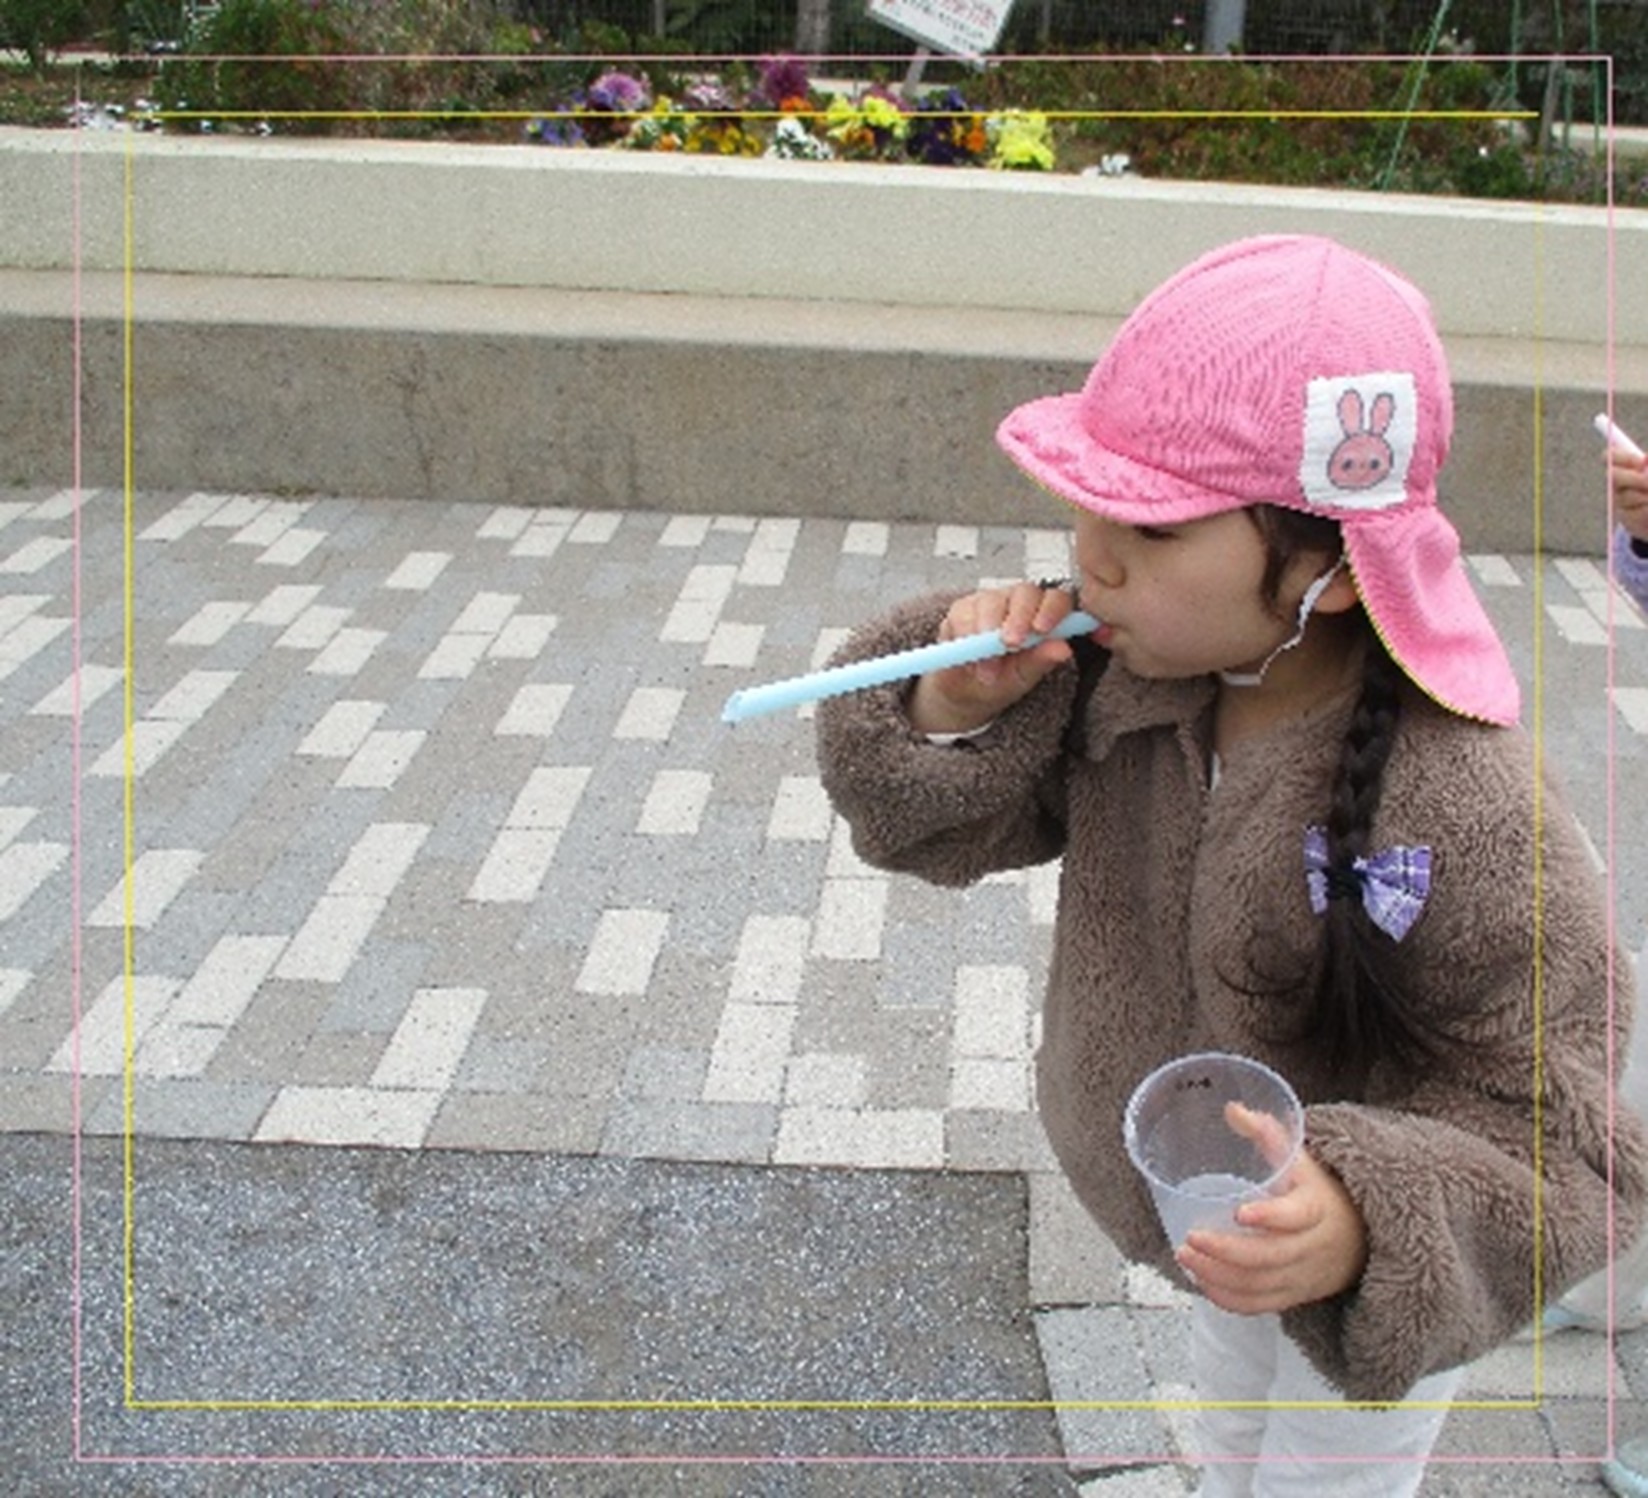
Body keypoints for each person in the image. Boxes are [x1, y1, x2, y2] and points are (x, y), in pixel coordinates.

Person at [813, 235, 1646, 1496]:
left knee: (1321, 1476)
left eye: (1150, 524)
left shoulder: (1467, 801)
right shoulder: (1122, 687)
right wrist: (948, 705)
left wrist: (1360, 1218)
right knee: (1229, 1424)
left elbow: (1565, 1134)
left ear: (1330, 571)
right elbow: (932, 824)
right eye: (1088, 504)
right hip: (1209, 1208)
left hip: (1379, 1277)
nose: (1092, 557)